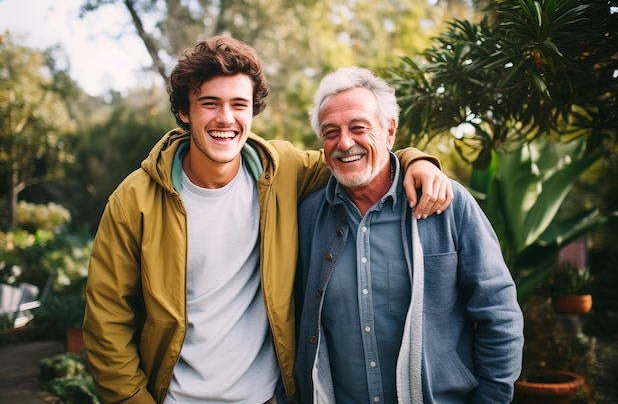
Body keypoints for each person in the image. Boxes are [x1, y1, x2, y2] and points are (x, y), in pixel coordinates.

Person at [83, 37, 453, 404]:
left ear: (252, 112)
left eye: (239, 104)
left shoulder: (282, 170)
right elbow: (106, 322)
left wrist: (416, 160)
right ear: (184, 111)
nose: (226, 118)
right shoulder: (135, 199)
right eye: (210, 104)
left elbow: (355, 155)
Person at [295, 66, 524, 404]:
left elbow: (499, 313)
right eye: (331, 132)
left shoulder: (448, 203)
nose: (344, 143)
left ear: (389, 132)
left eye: (359, 127)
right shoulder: (308, 215)